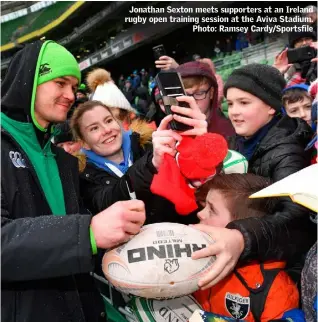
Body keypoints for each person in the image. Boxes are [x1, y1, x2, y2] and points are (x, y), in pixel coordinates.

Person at [1, 40, 147, 322]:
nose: (70, 95)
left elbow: (95, 213)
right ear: (31, 80)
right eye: (60, 83)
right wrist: (88, 233)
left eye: (74, 86)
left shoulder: (64, 160)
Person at [191, 64, 315, 290]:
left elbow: (296, 219)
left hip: (281, 272)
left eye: (244, 102)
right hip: (250, 257)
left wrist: (242, 237)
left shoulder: (287, 151)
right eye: (230, 104)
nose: (234, 111)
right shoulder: (234, 142)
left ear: (271, 107)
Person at [70, 96, 207, 225]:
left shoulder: (152, 146)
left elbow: (199, 184)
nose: (106, 130)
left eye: (108, 120)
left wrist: (198, 144)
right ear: (84, 143)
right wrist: (151, 165)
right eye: (94, 128)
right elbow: (107, 201)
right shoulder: (84, 176)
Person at [194, 173, 299, 321]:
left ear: (240, 224)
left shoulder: (275, 291)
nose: (200, 214)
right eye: (204, 206)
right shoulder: (195, 257)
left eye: (212, 210)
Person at [176, 61, 235, 138]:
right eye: (186, 95)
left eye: (199, 93)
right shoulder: (173, 130)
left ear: (211, 93)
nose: (192, 101)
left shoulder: (230, 132)